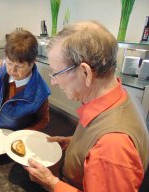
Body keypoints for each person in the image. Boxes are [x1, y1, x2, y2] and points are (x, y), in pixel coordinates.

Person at [24, 21, 149, 192]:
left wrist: (51, 183)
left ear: (85, 72)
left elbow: (106, 153)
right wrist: (77, 144)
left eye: (56, 73)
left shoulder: (112, 146)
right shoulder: (122, 95)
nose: (53, 82)